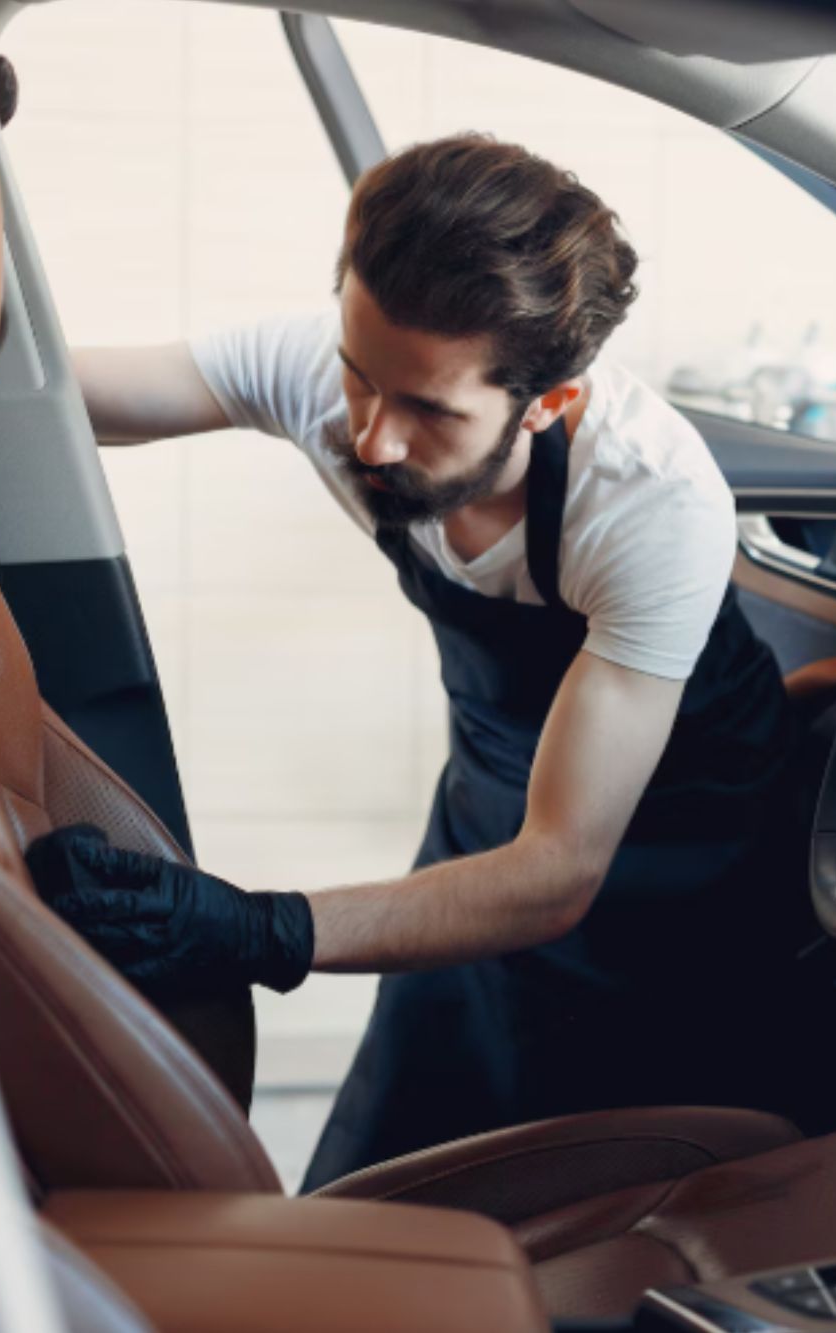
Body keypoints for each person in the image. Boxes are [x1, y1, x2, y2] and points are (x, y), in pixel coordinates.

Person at [61, 134, 793, 1188]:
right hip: (493, 804)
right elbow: (62, 394)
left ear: (551, 403)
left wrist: (261, 928)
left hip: (679, 854)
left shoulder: (647, 504)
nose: (372, 440)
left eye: (430, 412)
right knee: (394, 1161)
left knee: (610, 1186)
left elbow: (553, 876)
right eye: (361, 378)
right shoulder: (329, 372)